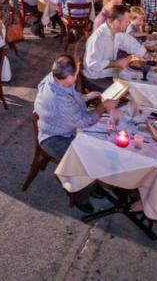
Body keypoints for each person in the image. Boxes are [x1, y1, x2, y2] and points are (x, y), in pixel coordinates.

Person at [33, 54, 119, 212]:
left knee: (98, 144)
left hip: (61, 125)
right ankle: (81, 197)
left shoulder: (54, 77)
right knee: (87, 160)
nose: (79, 72)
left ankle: (91, 184)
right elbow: (84, 120)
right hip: (54, 138)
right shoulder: (58, 99)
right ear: (70, 77)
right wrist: (103, 107)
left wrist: (85, 97)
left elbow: (70, 96)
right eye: (77, 71)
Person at [82, 5, 147, 91]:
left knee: (138, 81)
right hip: (95, 78)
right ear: (116, 22)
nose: (128, 24)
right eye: (126, 22)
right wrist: (116, 63)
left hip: (108, 73)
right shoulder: (98, 37)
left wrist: (146, 54)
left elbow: (130, 43)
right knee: (130, 91)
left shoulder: (117, 31)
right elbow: (93, 64)